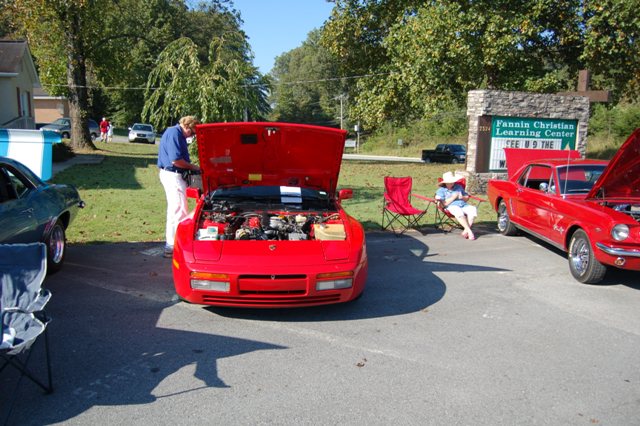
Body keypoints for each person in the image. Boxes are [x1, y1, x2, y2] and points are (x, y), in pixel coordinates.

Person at [157, 116, 201, 258]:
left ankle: (173, 244)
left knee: (177, 209)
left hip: (173, 175)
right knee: (178, 210)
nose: (193, 136)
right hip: (173, 175)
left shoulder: (176, 134)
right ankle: (172, 246)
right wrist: (194, 167)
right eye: (193, 132)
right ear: (187, 127)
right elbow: (176, 160)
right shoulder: (174, 133)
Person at [435, 171, 478, 240]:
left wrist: (462, 197)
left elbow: (466, 198)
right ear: (445, 183)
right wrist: (454, 197)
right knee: (458, 211)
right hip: (451, 206)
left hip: (463, 205)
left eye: (452, 182)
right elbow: (443, 204)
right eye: (449, 182)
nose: (451, 183)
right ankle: (469, 232)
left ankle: (466, 231)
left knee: (472, 209)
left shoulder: (458, 187)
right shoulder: (441, 190)